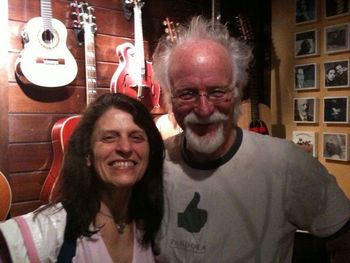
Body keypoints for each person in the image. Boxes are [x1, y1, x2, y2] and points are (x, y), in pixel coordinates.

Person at [152, 16, 350, 262]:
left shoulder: (287, 164)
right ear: (170, 99)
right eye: (187, 94)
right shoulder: (154, 163)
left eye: (217, 92)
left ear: (237, 93)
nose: (203, 109)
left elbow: (344, 239)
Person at [0, 93, 164, 262]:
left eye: (136, 137)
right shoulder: (44, 232)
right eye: (109, 137)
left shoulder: (154, 229)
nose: (125, 147)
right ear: (87, 154)